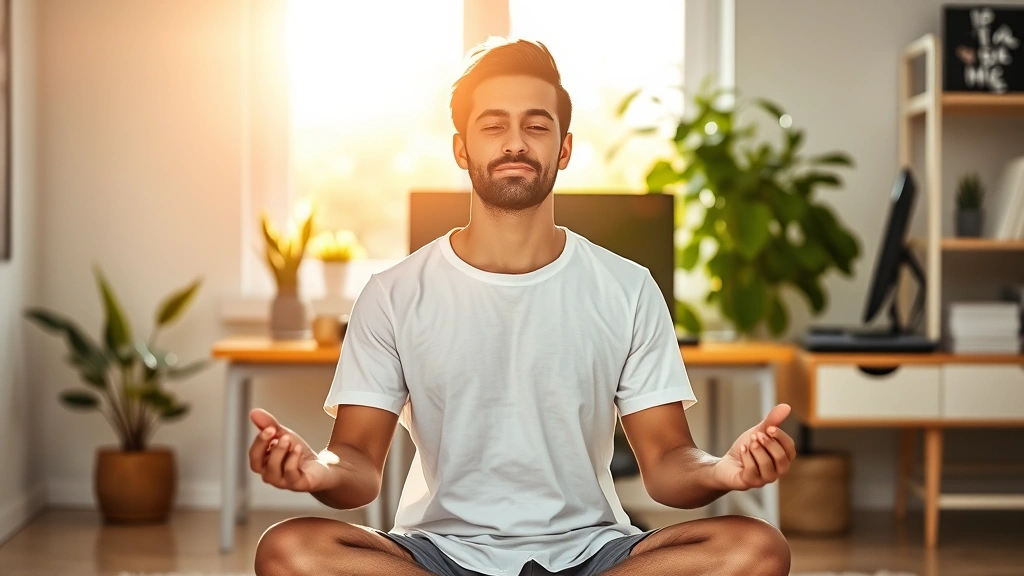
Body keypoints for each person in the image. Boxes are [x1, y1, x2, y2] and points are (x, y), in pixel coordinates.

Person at [251, 37, 795, 576]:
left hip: (593, 553)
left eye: (536, 126)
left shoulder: (626, 287)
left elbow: (667, 464)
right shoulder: (393, 292)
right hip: (438, 555)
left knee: (756, 548)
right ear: (462, 148)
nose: (515, 143)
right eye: (493, 126)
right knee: (289, 549)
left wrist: (722, 469)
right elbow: (359, 464)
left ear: (563, 148)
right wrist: (316, 471)